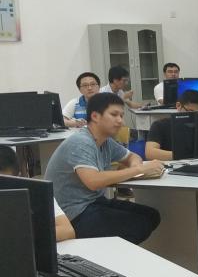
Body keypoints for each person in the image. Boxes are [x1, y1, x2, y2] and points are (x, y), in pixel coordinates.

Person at [43, 92, 163, 243]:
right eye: (114, 115)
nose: (120, 120)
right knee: (140, 225)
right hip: (72, 215)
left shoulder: (105, 141)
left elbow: (133, 157)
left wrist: (134, 166)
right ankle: (98, 253)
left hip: (93, 202)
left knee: (152, 216)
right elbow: (93, 182)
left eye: (121, 115)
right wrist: (139, 170)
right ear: (95, 116)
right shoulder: (81, 142)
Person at [0, 146, 75, 241]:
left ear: (18, 178)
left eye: (3, 182)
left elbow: (68, 230)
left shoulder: (37, 193)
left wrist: (24, 237)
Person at [145, 89, 198, 160]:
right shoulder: (160, 125)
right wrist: (185, 156)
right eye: (190, 112)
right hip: (170, 164)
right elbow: (150, 153)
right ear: (178, 106)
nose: (194, 118)